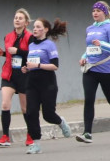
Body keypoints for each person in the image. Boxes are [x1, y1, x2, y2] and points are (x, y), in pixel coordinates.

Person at [78, 2, 110, 144]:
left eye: (98, 10)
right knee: (89, 99)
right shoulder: (90, 28)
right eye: (93, 10)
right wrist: (83, 58)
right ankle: (87, 132)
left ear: (104, 12)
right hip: (91, 68)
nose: (95, 13)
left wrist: (102, 44)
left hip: (107, 69)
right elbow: (88, 48)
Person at [22, 19, 73, 153]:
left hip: (47, 82)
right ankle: (36, 143)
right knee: (31, 112)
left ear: (45, 30)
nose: (35, 29)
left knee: (48, 114)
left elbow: (55, 66)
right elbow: (31, 63)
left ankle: (61, 122)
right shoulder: (31, 45)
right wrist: (26, 68)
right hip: (32, 82)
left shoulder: (49, 45)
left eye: (38, 27)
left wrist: (37, 66)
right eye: (34, 27)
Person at [0, 9, 33, 147]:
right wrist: (3, 53)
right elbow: (11, 56)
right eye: (15, 17)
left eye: (20, 18)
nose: (17, 20)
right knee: (5, 104)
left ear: (26, 22)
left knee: (24, 108)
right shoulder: (8, 36)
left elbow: (32, 55)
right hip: (9, 74)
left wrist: (18, 51)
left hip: (24, 75)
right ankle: (5, 136)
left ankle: (30, 135)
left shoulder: (30, 37)